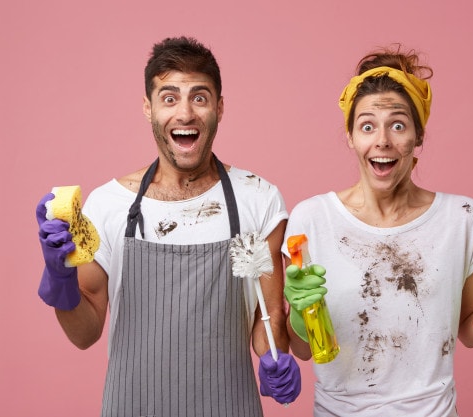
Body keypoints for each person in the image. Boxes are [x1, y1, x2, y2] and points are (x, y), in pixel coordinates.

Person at [35, 36, 300, 417]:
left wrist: (275, 356)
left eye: (200, 97)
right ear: (148, 108)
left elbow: (267, 316)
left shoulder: (257, 199)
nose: (186, 114)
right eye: (170, 97)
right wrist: (60, 281)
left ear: (219, 108)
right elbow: (85, 334)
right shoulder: (109, 204)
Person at [282, 45, 473, 416]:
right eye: (366, 126)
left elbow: (469, 328)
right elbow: (302, 348)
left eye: (397, 124)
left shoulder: (463, 218)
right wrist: (299, 311)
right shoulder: (311, 219)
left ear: (417, 137)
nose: (382, 140)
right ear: (350, 138)